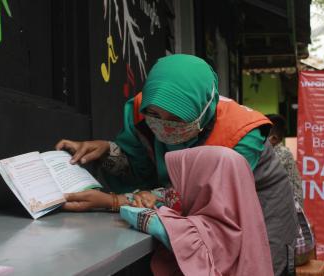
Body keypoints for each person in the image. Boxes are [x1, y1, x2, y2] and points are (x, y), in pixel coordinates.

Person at [56, 54, 298, 275]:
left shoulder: (241, 134)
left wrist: (116, 202)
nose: (165, 127)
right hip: (190, 213)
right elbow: (139, 168)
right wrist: (108, 151)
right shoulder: (142, 112)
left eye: (177, 119)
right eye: (157, 116)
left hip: (258, 211)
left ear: (204, 111)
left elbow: (207, 196)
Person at [120, 146, 274, 275]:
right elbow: (166, 200)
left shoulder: (199, 231)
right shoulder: (247, 220)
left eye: (185, 179)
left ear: (204, 184)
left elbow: (135, 214)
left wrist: (130, 202)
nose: (177, 187)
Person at [266, 114, 315, 266]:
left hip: (290, 210)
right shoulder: (273, 151)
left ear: (273, 138)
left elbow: (262, 173)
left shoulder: (282, 153)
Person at [266, 114, 303, 207]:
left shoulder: (283, 153)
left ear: (274, 138)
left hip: (290, 206)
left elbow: (265, 173)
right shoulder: (271, 151)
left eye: (262, 135)